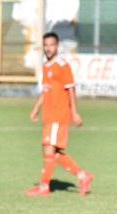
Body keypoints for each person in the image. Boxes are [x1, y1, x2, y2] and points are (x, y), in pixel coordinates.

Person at [24, 32, 93, 196]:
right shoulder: (46, 65)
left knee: (49, 150)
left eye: (51, 45)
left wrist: (74, 112)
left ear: (57, 46)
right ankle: (83, 176)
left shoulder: (62, 65)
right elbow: (46, 90)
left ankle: (44, 186)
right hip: (49, 115)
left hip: (59, 115)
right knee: (52, 152)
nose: (48, 48)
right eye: (46, 45)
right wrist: (36, 108)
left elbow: (71, 89)